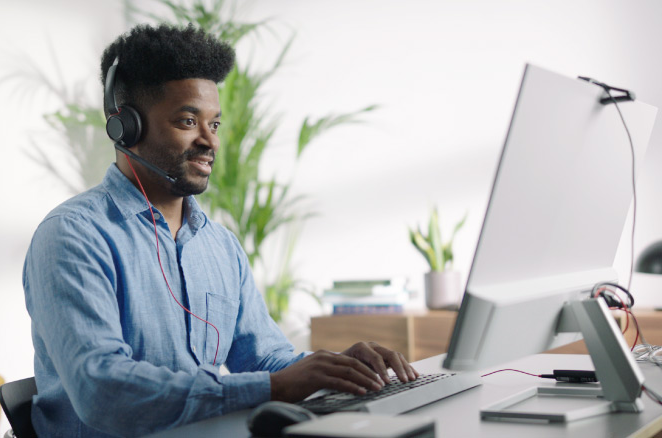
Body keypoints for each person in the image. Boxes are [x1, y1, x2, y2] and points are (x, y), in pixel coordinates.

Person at [23, 23, 418, 438]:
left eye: (214, 124)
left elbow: (265, 360)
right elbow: (102, 391)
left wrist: (333, 368)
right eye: (188, 120)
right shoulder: (72, 237)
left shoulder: (219, 245)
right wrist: (275, 386)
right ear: (127, 128)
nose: (208, 141)